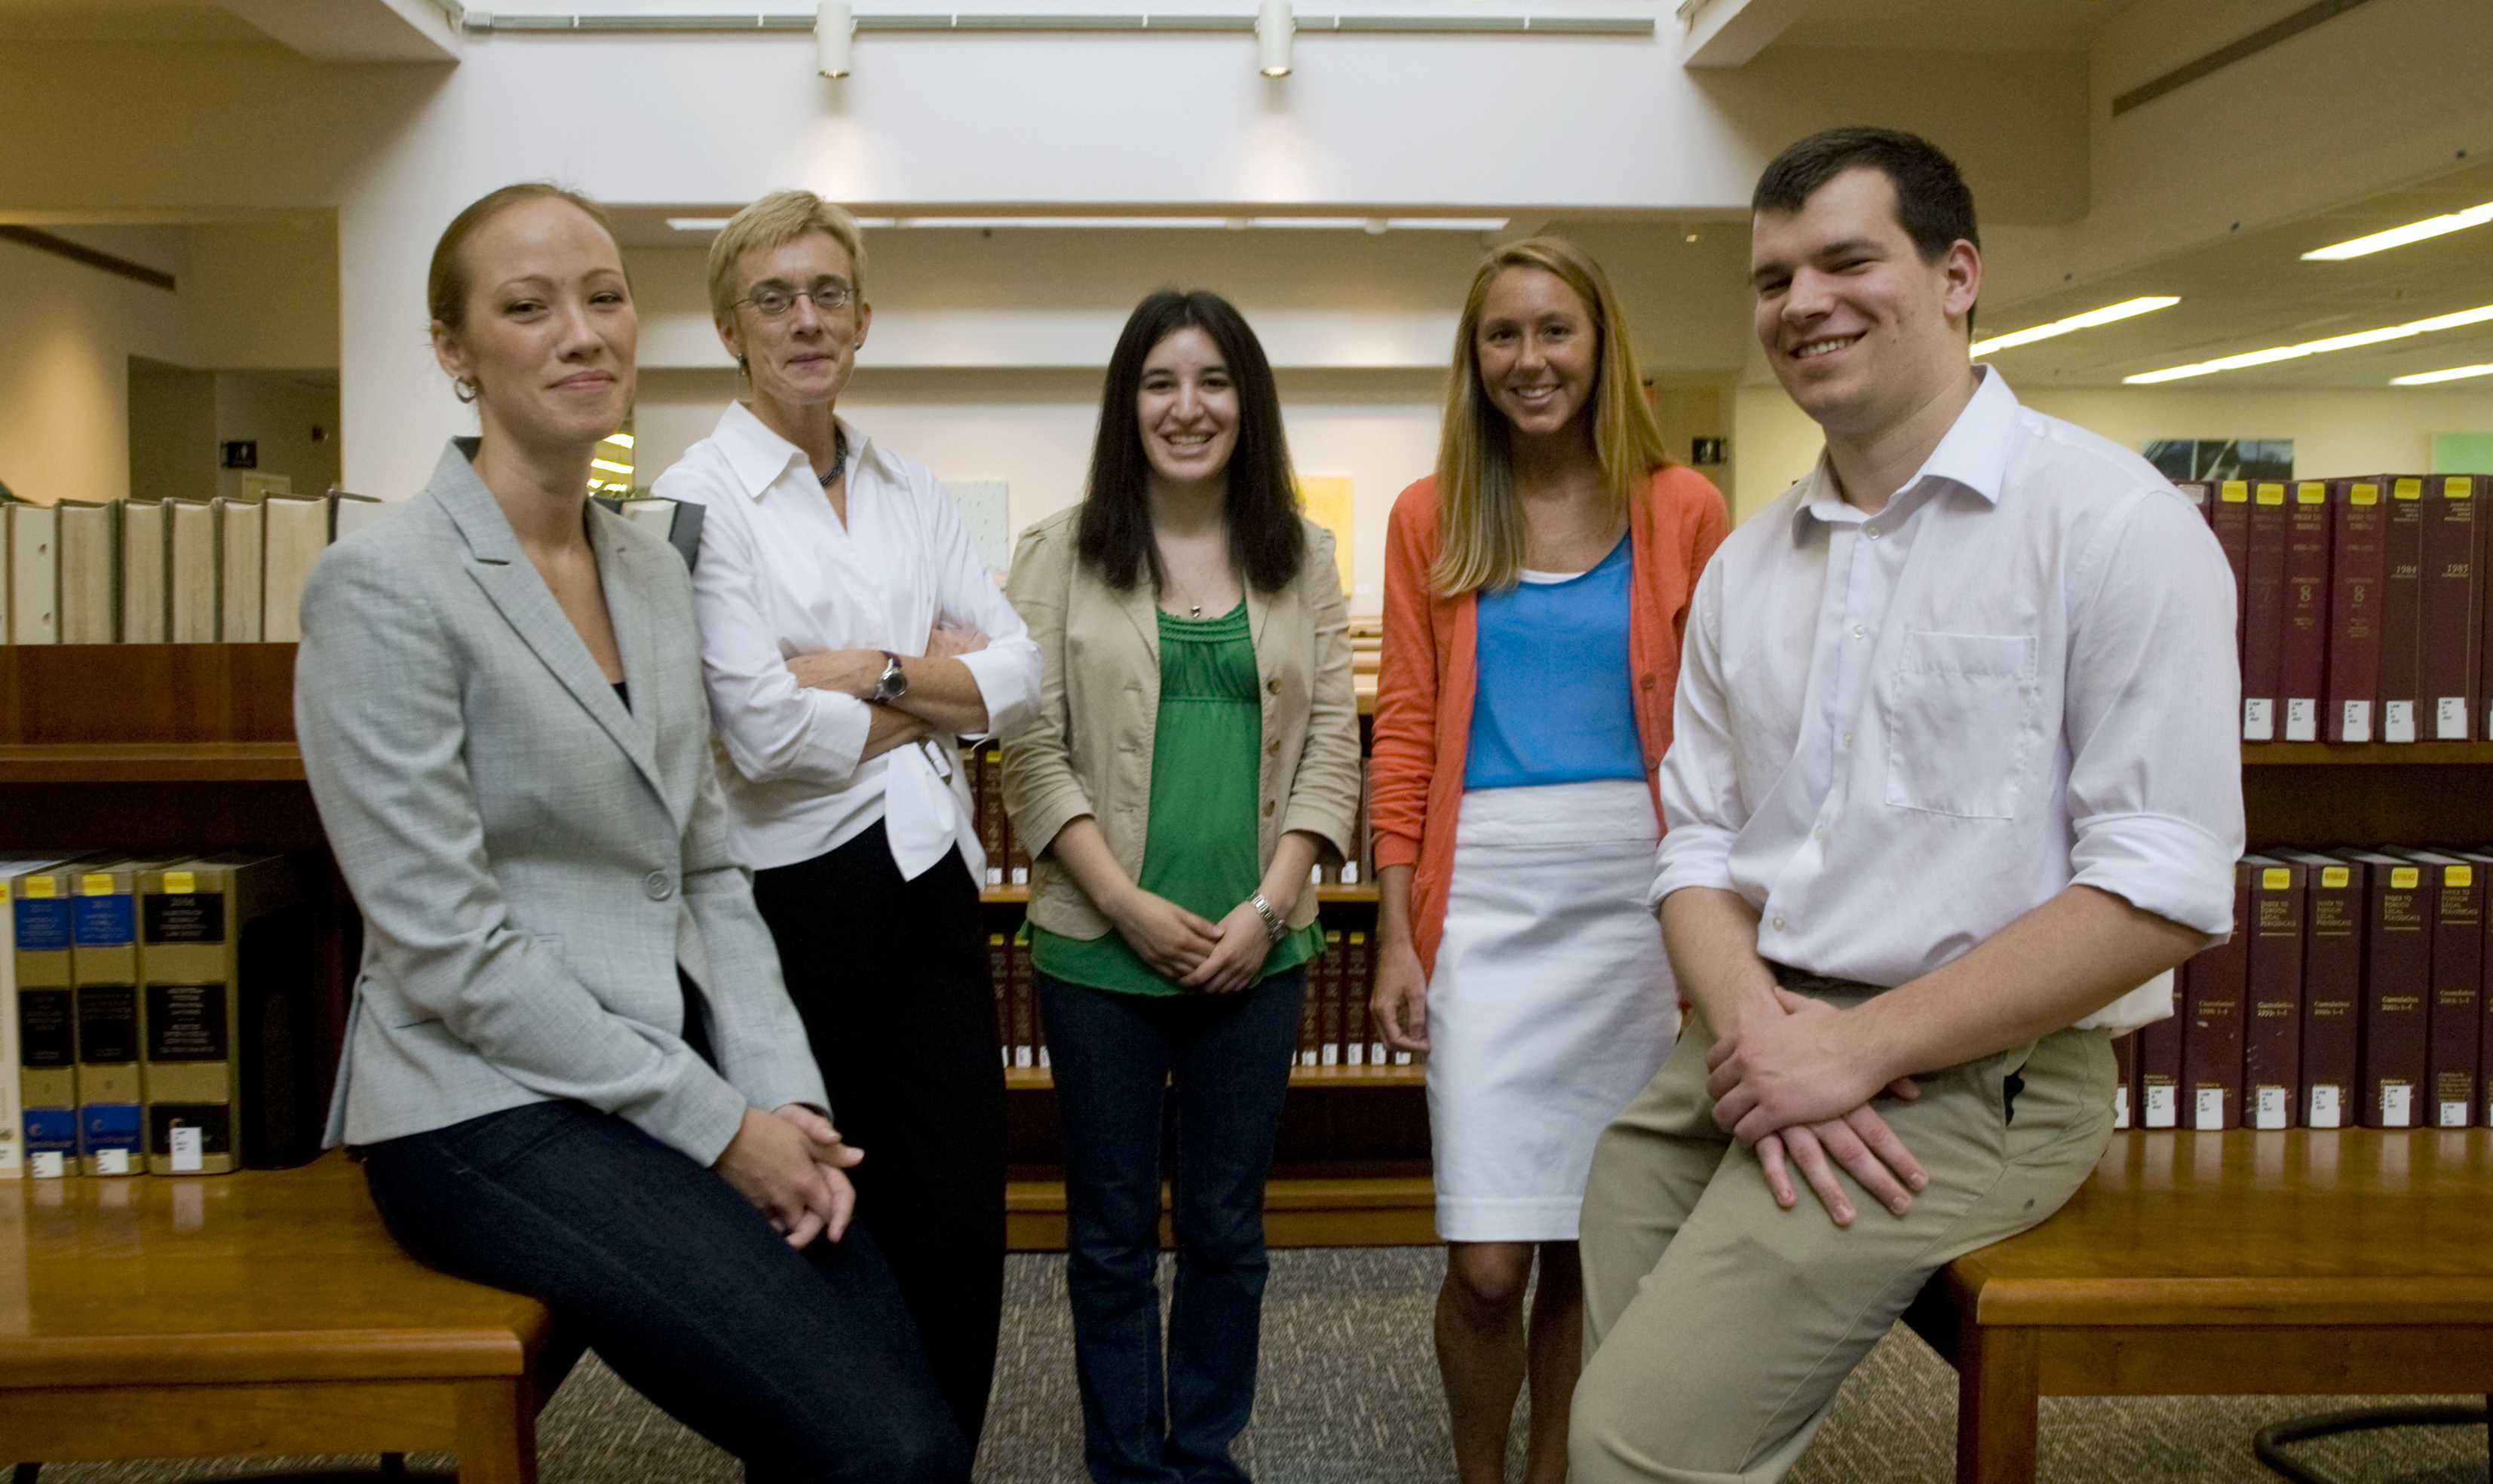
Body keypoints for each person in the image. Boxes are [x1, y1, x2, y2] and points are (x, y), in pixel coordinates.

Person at [1568, 127, 2243, 1484]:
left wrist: (1858, 1049)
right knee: (1633, 1272)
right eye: (1771, 280)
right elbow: (1698, 845)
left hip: (1975, 1075)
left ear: (1954, 274)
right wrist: (1766, 1029)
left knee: (1630, 1448)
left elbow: (2162, 888)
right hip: (1763, 1036)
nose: (1800, 303)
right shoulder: (1750, 567)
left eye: (1844, 259)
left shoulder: (2110, 523)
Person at [294, 182, 967, 1482]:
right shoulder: (383, 585)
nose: (581, 333)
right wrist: (722, 1128)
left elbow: (709, 865)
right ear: (453, 349)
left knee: (906, 1397)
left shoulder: (651, 566)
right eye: (527, 306)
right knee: (889, 1453)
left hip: (673, 1072)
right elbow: (451, 949)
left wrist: (786, 1096)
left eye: (604, 297)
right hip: (483, 1106)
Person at [652, 189, 1041, 1451]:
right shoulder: (694, 497)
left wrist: (863, 672)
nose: (804, 319)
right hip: (787, 907)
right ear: (729, 329)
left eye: (825, 294)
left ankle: (940, 1464)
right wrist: (934, 688)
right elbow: (759, 740)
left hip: (932, 882)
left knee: (951, 1214)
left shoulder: (907, 487)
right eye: (773, 298)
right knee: (815, 1218)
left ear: (863, 319)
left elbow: (1018, 680)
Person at [1366, 237, 1729, 1484]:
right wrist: (1399, 928)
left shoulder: (1682, 507)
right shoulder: (1431, 513)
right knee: (1485, 1261)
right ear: (1475, 361)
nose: (1530, 361)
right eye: (1503, 337)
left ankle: (1554, 1474)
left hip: (1641, 901)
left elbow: (1720, 727)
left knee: (1591, 1239)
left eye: (1554, 332)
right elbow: (1407, 728)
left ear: (1600, 344)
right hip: (1489, 900)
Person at [1000, 290, 1361, 1484]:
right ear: (1127, 403)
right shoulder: (1058, 552)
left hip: (1259, 954)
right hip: (1097, 952)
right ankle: (1126, 1466)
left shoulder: (1299, 554)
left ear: (1245, 402)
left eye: (1212, 382)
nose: (1187, 406)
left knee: (1224, 1232)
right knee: (1107, 1238)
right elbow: (1031, 748)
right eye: (1160, 382)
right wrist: (1124, 902)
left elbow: (1332, 750)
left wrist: (1268, 908)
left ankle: (1200, 1456)